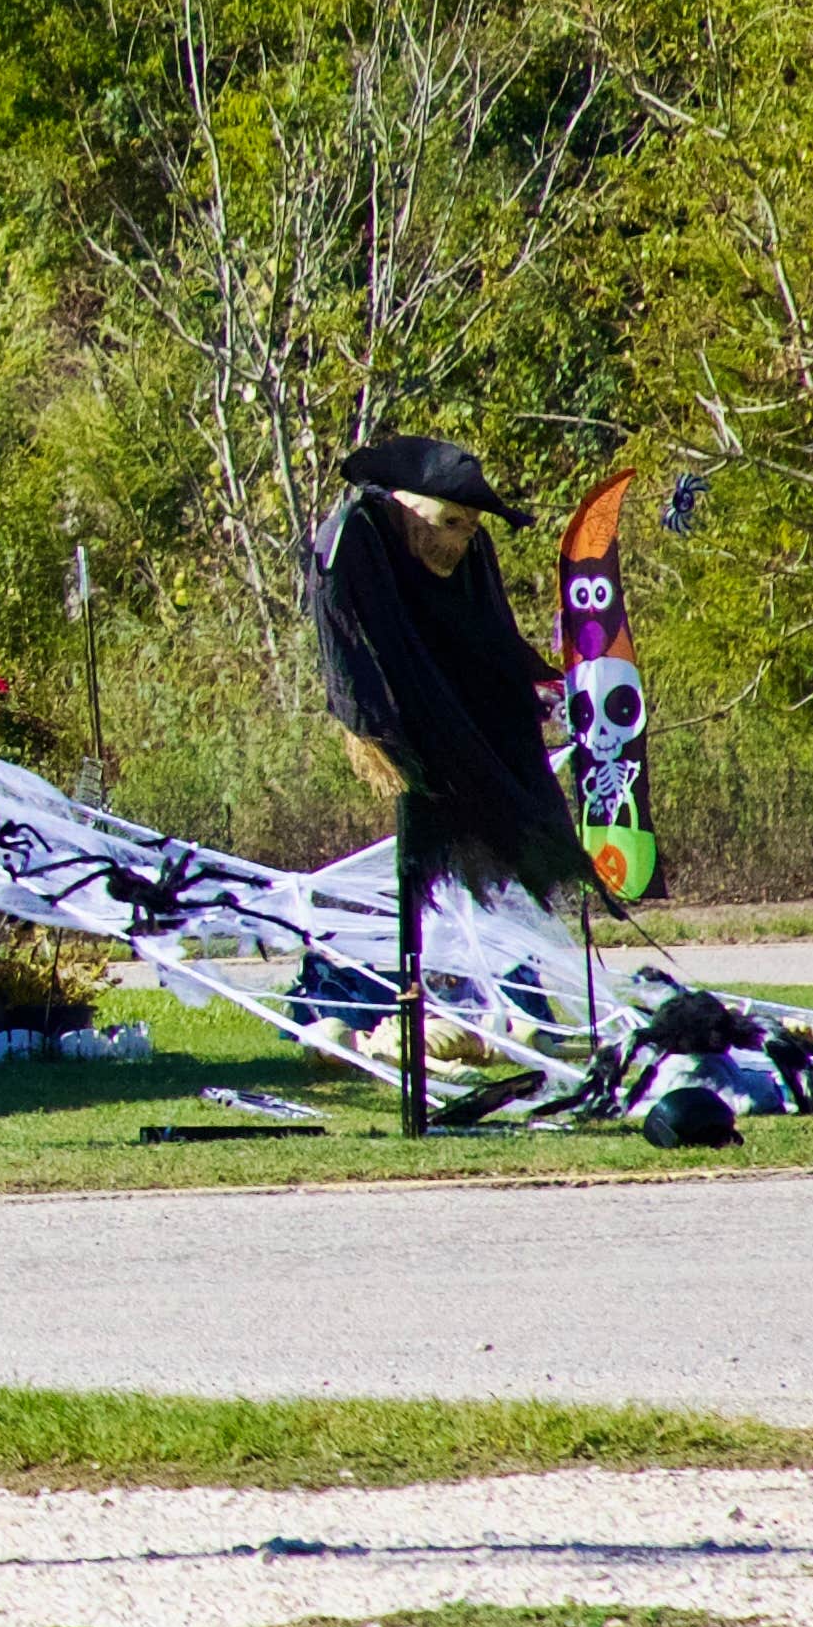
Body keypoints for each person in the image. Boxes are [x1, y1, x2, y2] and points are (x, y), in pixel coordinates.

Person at [301, 429, 596, 1127]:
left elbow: (486, 637)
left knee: (499, 863)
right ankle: (365, 1012)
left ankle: (518, 1007)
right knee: (420, 873)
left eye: (467, 529)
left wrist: (535, 689)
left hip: (456, 713)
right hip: (401, 722)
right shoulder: (355, 542)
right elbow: (354, 659)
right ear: (406, 507)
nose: (457, 542)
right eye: (448, 524)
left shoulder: (469, 562)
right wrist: (396, 738)